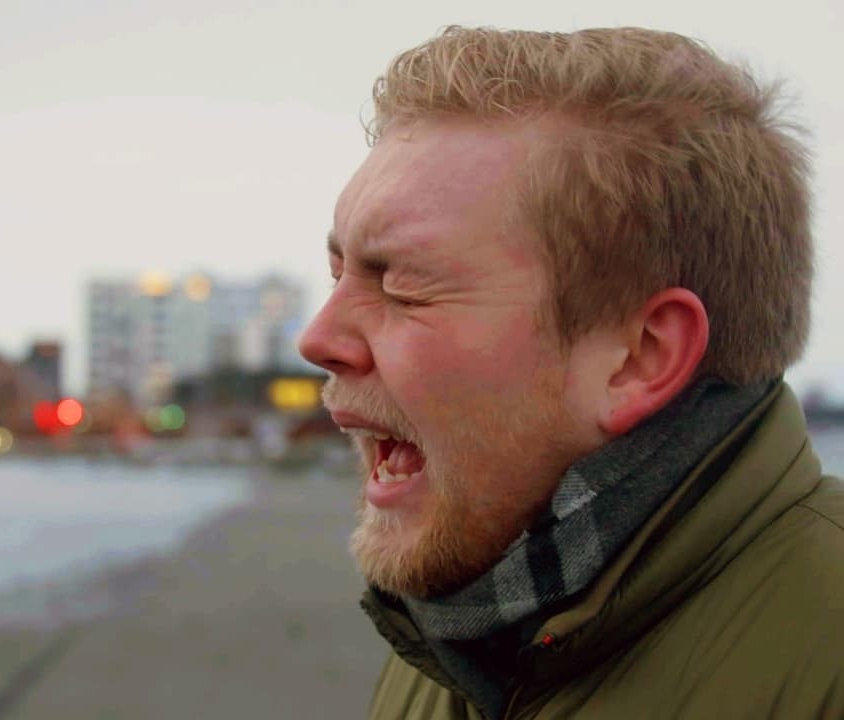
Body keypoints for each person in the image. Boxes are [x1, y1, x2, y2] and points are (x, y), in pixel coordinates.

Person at [297, 26, 842, 719]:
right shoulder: (456, 631)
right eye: (338, 273)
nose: (318, 339)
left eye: (404, 285)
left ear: (639, 358)